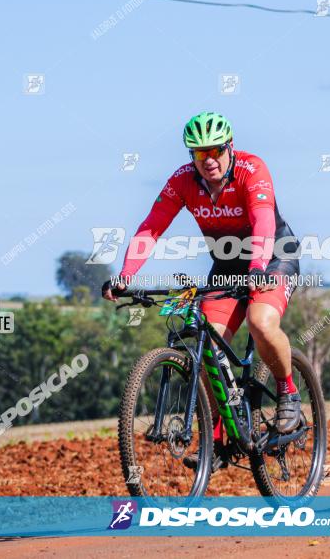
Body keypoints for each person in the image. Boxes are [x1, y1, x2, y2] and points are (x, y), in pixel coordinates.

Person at [101, 112, 303, 464]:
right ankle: (221, 440)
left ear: (230, 147)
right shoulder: (182, 181)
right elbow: (152, 227)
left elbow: (263, 221)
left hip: (271, 256)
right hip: (228, 265)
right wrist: (126, 275)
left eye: (215, 151)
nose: (208, 160)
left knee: (261, 321)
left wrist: (257, 268)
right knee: (206, 344)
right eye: (198, 154)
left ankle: (288, 393)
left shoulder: (252, 170)